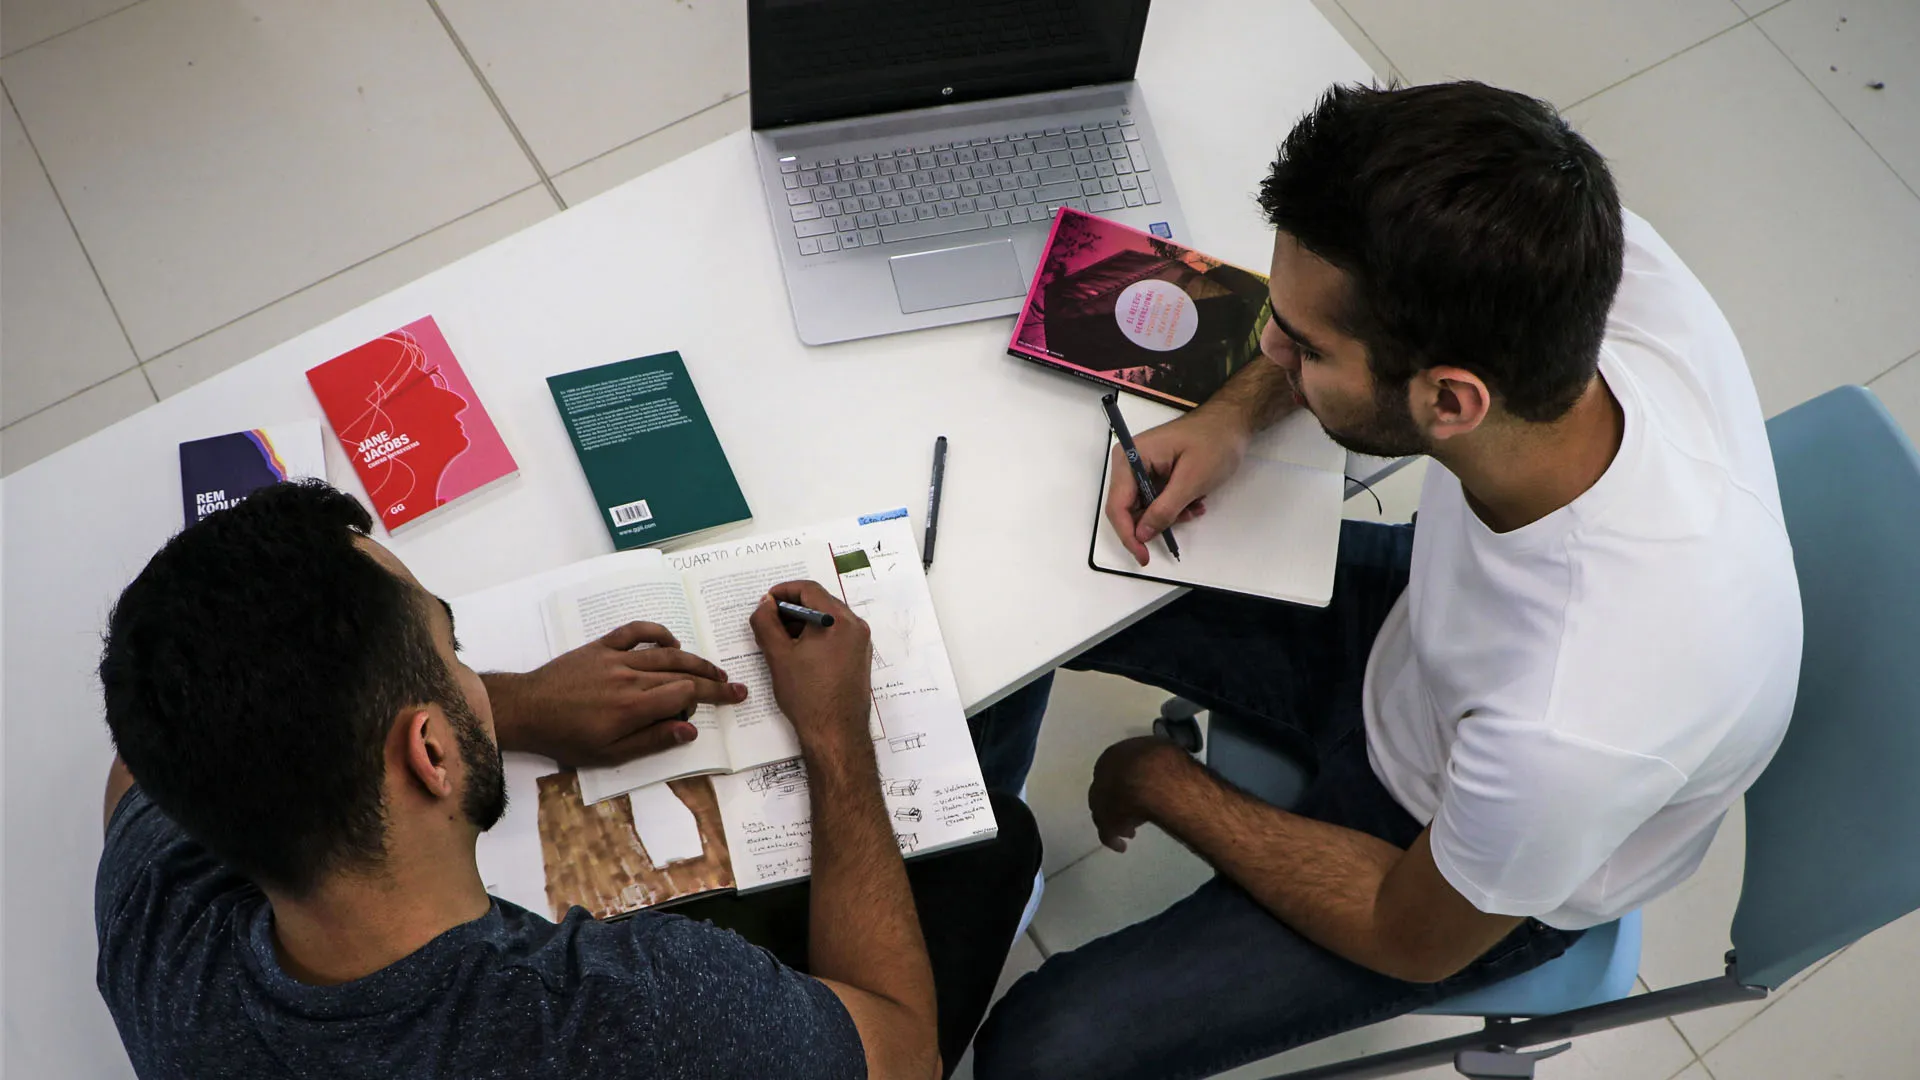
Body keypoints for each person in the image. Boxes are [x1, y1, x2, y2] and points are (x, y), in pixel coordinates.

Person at [971, 80, 1802, 1080]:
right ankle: (964, 842)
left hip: (1454, 868)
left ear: (1450, 401)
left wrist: (1163, 782)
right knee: (1020, 568)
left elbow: (1406, 930)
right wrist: (1232, 419)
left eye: (1305, 348)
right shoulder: (1585, 262)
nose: (1268, 350)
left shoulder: (1574, 716)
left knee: (1040, 1052)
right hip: (1425, 638)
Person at [95, 479, 1039, 1079]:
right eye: (453, 649)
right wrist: (834, 737)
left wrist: (519, 706)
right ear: (429, 756)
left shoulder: (160, 937)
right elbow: (903, 1056)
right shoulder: (638, 1014)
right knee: (999, 840)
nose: (473, 671)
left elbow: (137, 760)